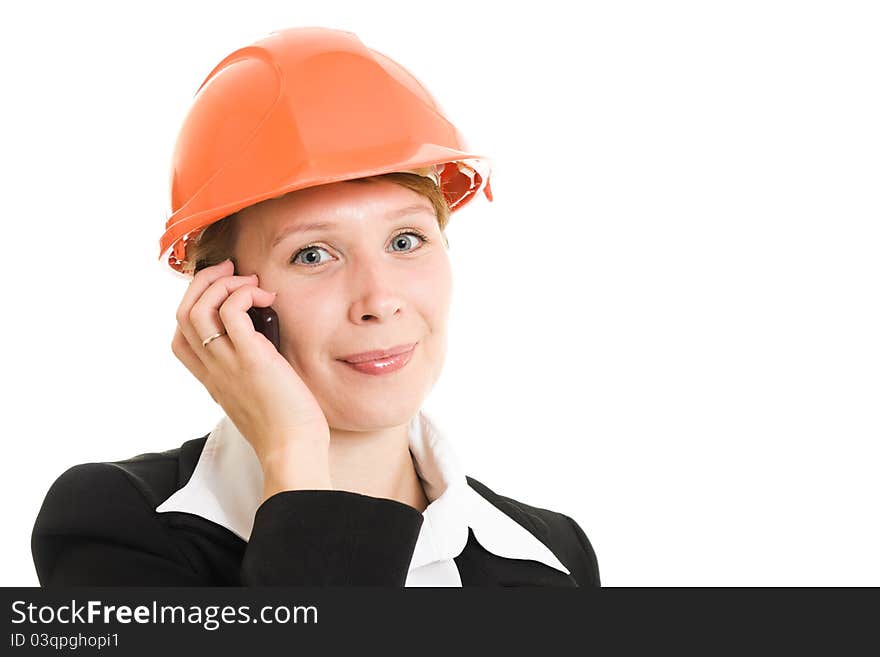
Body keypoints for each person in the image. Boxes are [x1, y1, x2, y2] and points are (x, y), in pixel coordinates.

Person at [31, 26, 600, 587]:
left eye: (406, 241)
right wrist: (294, 459)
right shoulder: (115, 524)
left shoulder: (555, 555)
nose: (379, 300)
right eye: (313, 254)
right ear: (224, 301)